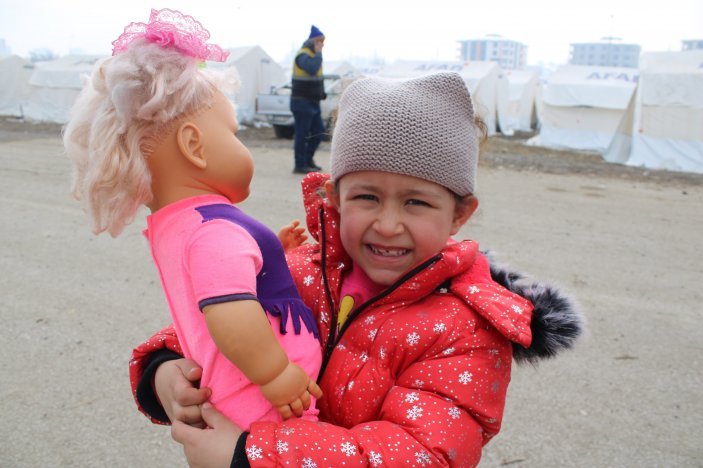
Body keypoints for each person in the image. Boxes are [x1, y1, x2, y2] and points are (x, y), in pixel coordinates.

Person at [130, 72, 584, 466]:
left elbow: (421, 455)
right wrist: (165, 373)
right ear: (334, 198)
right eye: (367, 197)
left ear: (459, 214)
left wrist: (249, 456)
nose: (387, 225)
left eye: (416, 202)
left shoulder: (465, 331)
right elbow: (206, 328)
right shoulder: (301, 272)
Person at [62, 8, 322, 430]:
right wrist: (276, 376)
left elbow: (219, 281)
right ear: (194, 146)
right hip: (268, 406)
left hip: (242, 398)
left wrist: (270, 251)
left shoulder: (176, 224)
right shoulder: (213, 229)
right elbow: (230, 312)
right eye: (233, 134)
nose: (241, 147)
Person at [290, 25, 327, 174]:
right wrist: (318, 53)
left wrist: (321, 93)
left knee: (319, 132)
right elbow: (311, 69)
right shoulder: (303, 55)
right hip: (301, 102)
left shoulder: (314, 56)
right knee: (302, 134)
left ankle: (307, 159)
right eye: (320, 42)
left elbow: (317, 77)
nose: (323, 45)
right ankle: (299, 164)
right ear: (314, 41)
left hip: (313, 102)